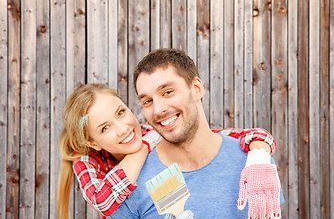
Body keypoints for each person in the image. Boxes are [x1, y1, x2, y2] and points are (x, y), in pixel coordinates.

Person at [107, 48, 283, 219]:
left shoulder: (254, 163)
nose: (158, 109)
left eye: (167, 92)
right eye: (147, 101)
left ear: (196, 88)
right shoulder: (132, 182)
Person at [57, 86, 278, 218]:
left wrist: (259, 153)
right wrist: (142, 149)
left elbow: (227, 136)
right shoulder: (86, 160)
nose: (123, 128)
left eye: (121, 112)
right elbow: (102, 200)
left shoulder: (152, 132)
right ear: (93, 143)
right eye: (105, 128)